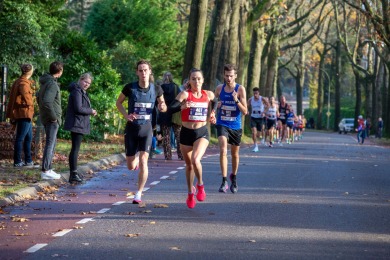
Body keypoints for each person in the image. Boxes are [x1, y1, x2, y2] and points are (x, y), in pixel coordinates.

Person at [116, 59, 167, 204]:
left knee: (145, 160)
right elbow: (118, 102)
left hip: (147, 128)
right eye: (140, 70)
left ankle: (138, 193)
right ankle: (136, 158)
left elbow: (163, 106)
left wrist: (162, 106)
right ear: (137, 72)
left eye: (145, 70)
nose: (143, 73)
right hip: (132, 128)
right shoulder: (130, 88)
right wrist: (126, 115)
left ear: (150, 71)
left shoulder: (157, 89)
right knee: (131, 166)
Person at [168, 68, 216, 208]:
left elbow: (217, 101)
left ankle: (200, 185)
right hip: (186, 133)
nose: (196, 81)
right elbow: (171, 108)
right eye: (193, 79)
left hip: (201, 132)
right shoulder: (185, 94)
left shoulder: (208, 94)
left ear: (203, 80)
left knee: (196, 159)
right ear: (189, 81)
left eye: (199, 78)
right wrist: (182, 106)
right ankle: (190, 193)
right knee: (189, 165)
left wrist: (213, 112)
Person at [215, 64, 247, 194]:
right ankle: (224, 181)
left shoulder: (240, 90)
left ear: (235, 76)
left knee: (234, 154)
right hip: (222, 123)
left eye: (231, 76)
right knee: (223, 149)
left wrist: (236, 100)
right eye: (227, 76)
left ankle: (234, 178)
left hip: (235, 125)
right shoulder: (219, 89)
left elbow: (245, 111)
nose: (229, 78)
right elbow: (213, 103)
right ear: (223, 75)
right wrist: (215, 107)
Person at [64, 73, 97, 184]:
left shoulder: (81, 92)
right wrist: (91, 111)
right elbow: (78, 108)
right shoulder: (77, 91)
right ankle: (73, 174)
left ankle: (74, 173)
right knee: (75, 149)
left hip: (79, 123)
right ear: (80, 80)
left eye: (88, 83)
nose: (86, 84)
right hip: (76, 124)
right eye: (85, 82)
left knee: (75, 149)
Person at [6, 64, 37, 167]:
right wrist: (31, 104)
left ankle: (28, 161)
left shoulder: (18, 81)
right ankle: (17, 161)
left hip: (24, 113)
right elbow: (28, 100)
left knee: (28, 137)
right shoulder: (23, 84)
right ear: (30, 71)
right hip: (24, 113)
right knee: (20, 138)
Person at [38, 61, 64, 180]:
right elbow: (47, 101)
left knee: (51, 143)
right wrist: (54, 117)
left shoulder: (46, 82)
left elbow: (39, 97)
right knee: (50, 144)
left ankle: (48, 168)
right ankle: (46, 170)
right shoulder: (52, 84)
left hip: (47, 117)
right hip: (51, 119)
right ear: (60, 72)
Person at [158, 72, 183, 160]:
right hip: (175, 113)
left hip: (164, 113)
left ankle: (168, 155)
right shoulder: (176, 87)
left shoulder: (160, 88)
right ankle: (181, 154)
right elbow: (180, 99)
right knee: (179, 135)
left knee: (166, 136)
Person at [247, 87, 266, 152]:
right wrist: (247, 111)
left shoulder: (262, 99)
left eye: (256, 93)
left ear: (259, 93)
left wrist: (264, 112)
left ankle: (259, 139)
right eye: (254, 93)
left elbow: (268, 105)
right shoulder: (250, 99)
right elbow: (247, 106)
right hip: (253, 117)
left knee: (258, 134)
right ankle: (255, 145)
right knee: (253, 132)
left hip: (260, 118)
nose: (255, 95)